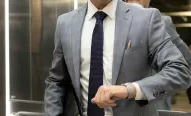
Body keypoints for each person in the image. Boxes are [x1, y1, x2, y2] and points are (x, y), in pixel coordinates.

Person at [44, 0, 191, 116]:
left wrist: (130, 89)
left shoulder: (145, 19)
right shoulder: (65, 23)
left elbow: (180, 71)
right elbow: (57, 81)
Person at [125, 0, 191, 110]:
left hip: (120, 103)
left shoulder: (107, 21)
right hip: (152, 104)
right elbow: (186, 62)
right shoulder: (160, 21)